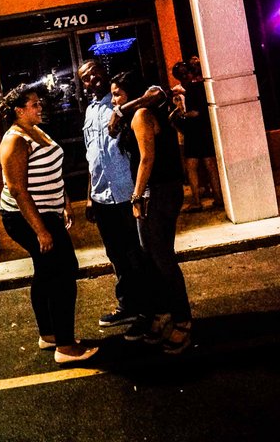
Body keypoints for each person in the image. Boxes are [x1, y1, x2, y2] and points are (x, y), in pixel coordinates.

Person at [0, 84, 97, 365]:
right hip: (27, 218)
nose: (40, 107)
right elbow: (18, 190)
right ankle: (66, 346)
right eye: (34, 104)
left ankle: (50, 334)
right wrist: (41, 230)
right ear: (19, 110)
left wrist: (64, 202)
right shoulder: (15, 140)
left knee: (46, 271)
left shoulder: (36, 130)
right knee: (63, 272)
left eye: (39, 103)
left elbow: (52, 172)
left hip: (47, 213)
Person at [111, 71, 193, 354]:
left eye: (118, 94)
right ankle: (165, 314)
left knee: (161, 259)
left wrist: (136, 196)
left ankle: (182, 320)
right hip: (161, 190)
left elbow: (147, 158)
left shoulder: (142, 114)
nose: (114, 100)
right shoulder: (144, 113)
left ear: (131, 94)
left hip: (157, 191)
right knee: (155, 257)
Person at [78, 59, 162, 329]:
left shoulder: (123, 99)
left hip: (127, 193)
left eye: (95, 73)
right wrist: (89, 196)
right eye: (86, 78)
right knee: (117, 256)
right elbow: (92, 157)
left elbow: (158, 93)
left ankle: (150, 311)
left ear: (103, 72)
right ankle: (128, 306)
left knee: (138, 254)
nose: (92, 79)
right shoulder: (90, 111)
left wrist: (121, 109)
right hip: (102, 197)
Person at [171, 60, 223, 211]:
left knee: (192, 167)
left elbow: (195, 112)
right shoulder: (201, 86)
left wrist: (182, 115)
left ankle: (196, 201)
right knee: (210, 165)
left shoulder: (191, 89)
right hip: (204, 130)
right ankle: (218, 197)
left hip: (193, 132)